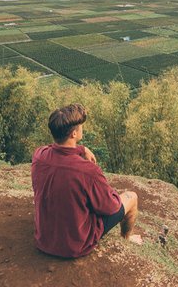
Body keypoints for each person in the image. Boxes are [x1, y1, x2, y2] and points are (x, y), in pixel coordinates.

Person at [31, 103, 140, 258]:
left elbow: (53, 148)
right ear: (74, 134)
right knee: (132, 197)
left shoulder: (39, 156)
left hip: (44, 240)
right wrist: (109, 191)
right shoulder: (88, 170)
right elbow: (111, 208)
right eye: (81, 126)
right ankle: (126, 238)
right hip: (75, 245)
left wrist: (81, 149)